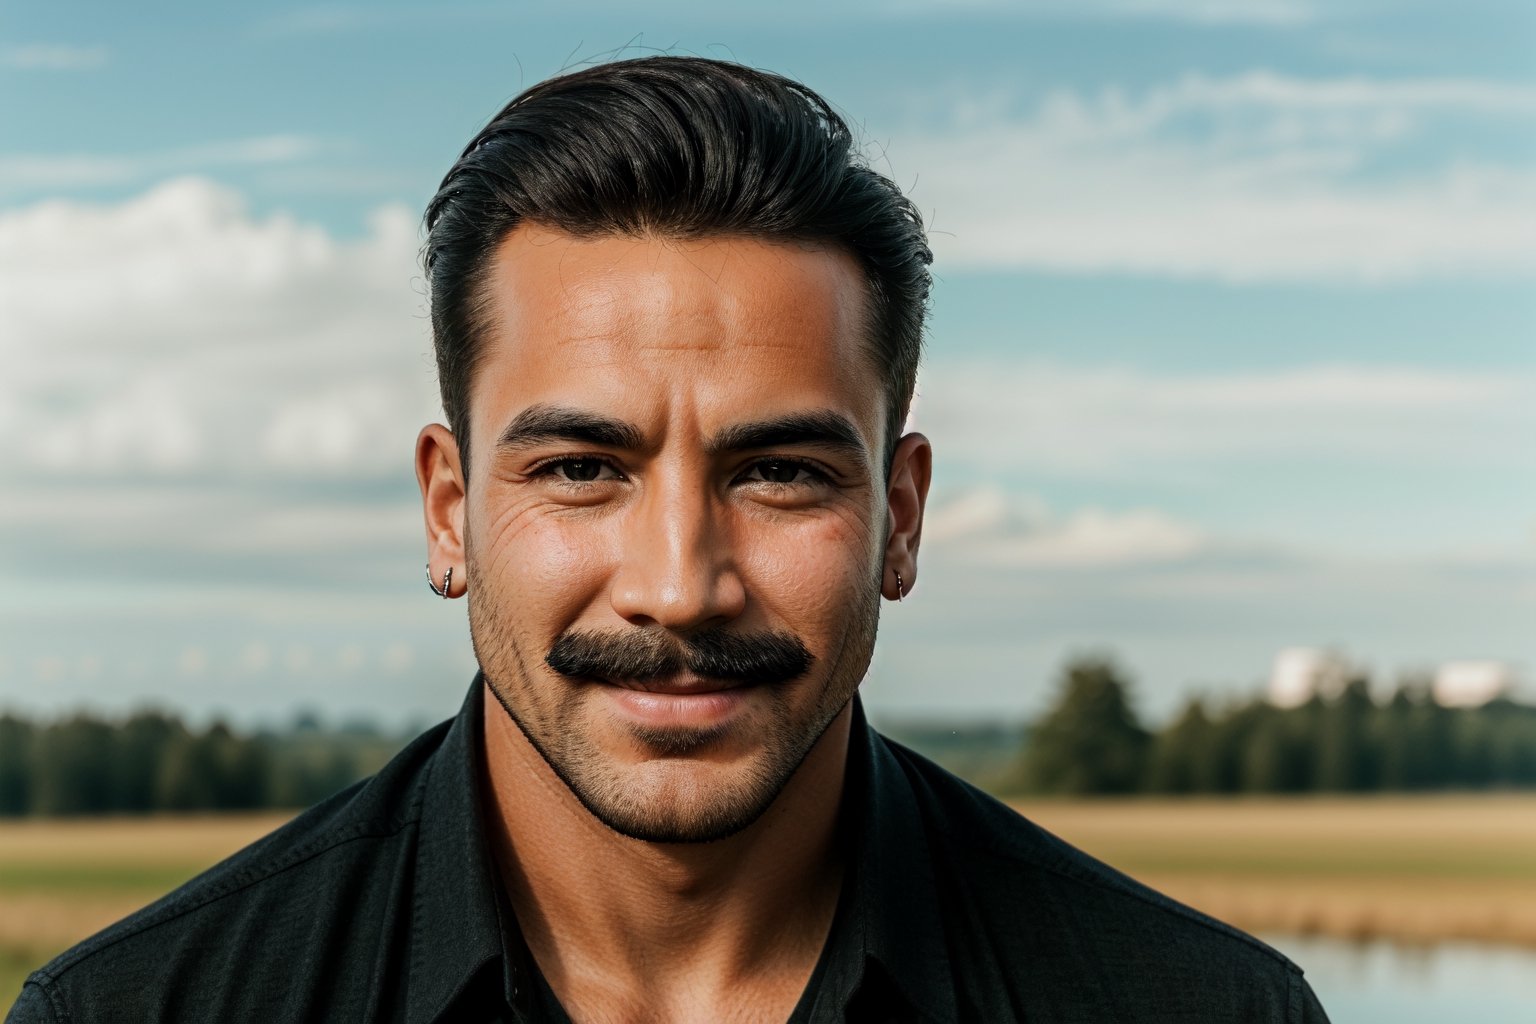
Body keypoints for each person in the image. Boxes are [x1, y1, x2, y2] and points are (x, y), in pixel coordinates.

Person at [8, 57, 1329, 1023]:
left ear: (902, 517)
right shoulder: (137, 1010)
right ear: (450, 509)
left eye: (781, 473)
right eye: (583, 468)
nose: (678, 586)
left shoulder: (1202, 1009)